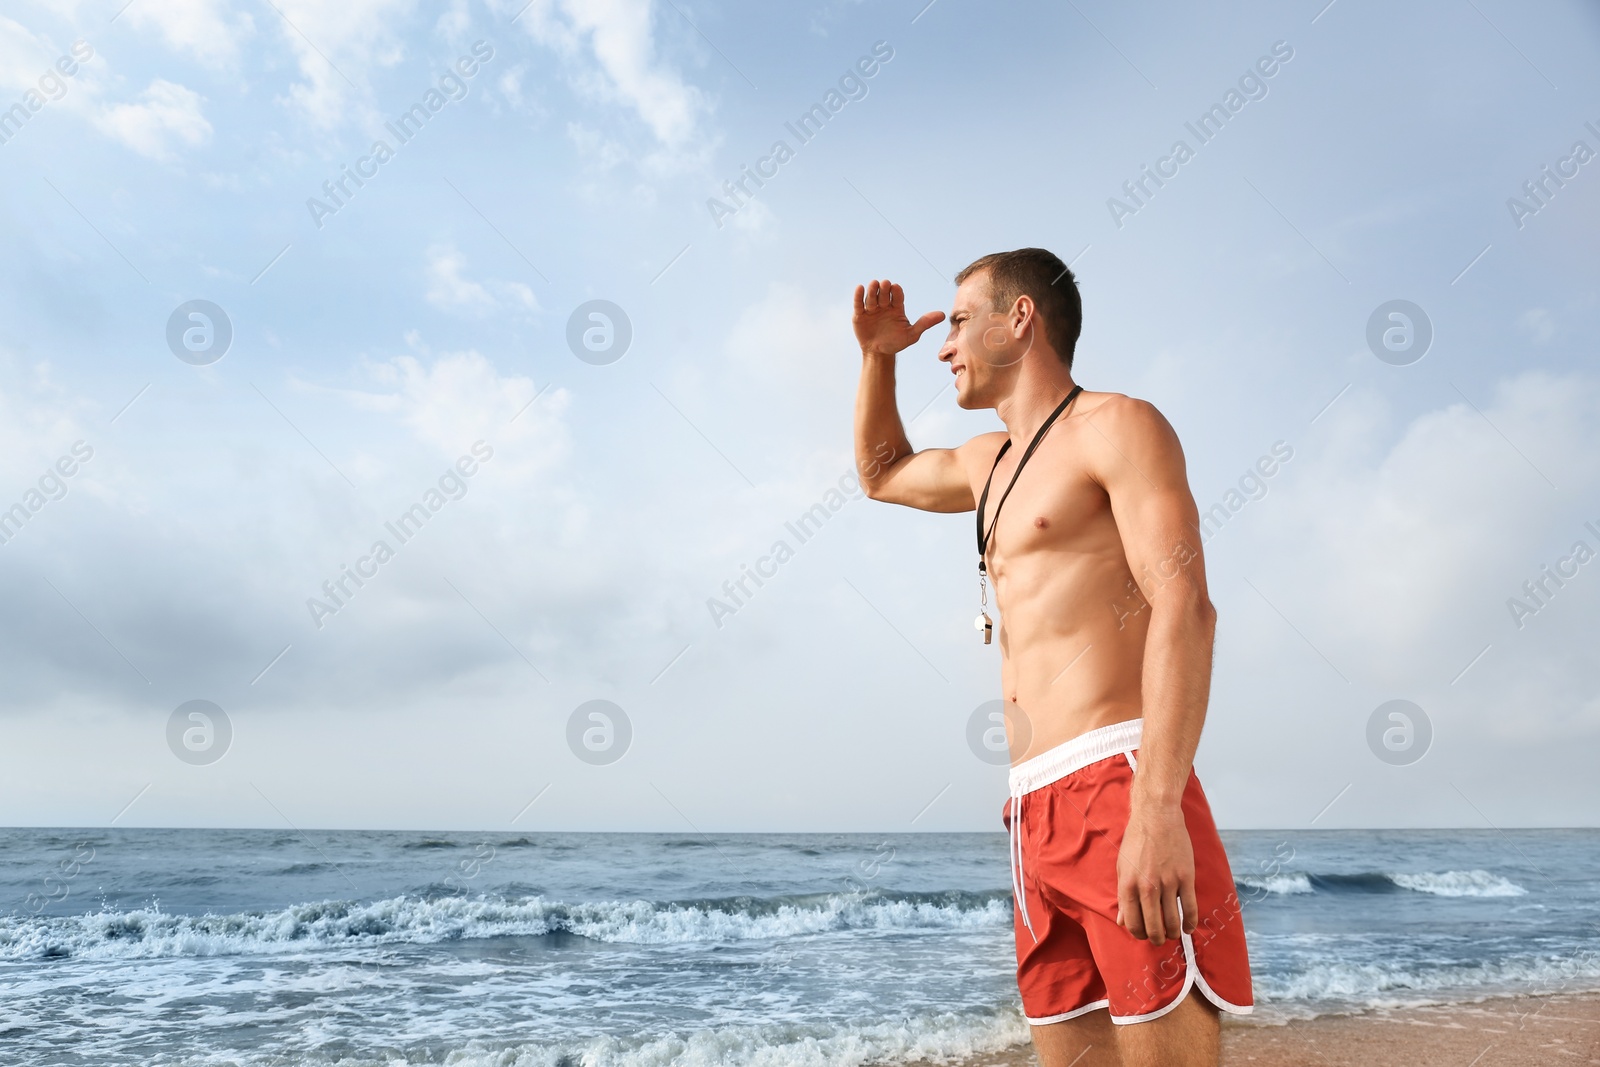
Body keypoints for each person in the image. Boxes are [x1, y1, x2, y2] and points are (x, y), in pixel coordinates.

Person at [851, 249, 1252, 1067]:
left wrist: (1157, 806)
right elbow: (881, 473)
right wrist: (875, 358)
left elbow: (1187, 606)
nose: (945, 342)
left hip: (1120, 780)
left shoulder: (1118, 426)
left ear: (1021, 318)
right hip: (1031, 810)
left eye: (960, 319)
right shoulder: (987, 461)